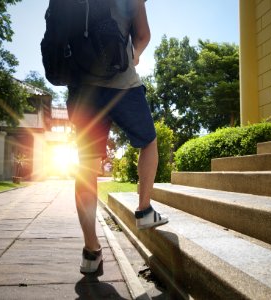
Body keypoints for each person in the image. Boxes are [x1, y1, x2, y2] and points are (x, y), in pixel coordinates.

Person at [66, 0, 168, 274]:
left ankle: (90, 252)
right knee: (149, 141)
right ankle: (144, 210)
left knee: (86, 164)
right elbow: (144, 34)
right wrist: (131, 56)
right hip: (121, 82)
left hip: (82, 86)